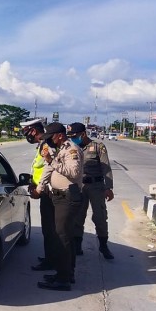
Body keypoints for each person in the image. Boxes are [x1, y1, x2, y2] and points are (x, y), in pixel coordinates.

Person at [35, 122, 84, 291]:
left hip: (68, 196)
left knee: (62, 236)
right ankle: (65, 273)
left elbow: (74, 172)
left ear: (60, 135)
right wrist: (40, 187)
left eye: (51, 137)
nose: (49, 141)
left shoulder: (72, 150)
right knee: (64, 236)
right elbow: (49, 168)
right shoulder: (59, 148)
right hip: (59, 196)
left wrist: (51, 161)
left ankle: (63, 279)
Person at [67, 122, 115, 259]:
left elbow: (106, 168)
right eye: (70, 136)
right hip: (79, 186)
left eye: (74, 136)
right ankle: (77, 246)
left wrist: (109, 187)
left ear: (83, 134)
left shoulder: (98, 147)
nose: (72, 139)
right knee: (78, 217)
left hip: (96, 187)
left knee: (100, 216)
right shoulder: (71, 148)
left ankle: (103, 245)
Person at [20, 118, 58, 272]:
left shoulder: (47, 145)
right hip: (43, 190)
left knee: (50, 229)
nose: (26, 136)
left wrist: (39, 188)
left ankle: (52, 261)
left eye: (26, 132)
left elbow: (50, 168)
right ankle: (50, 257)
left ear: (34, 131)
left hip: (48, 192)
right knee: (48, 228)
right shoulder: (42, 144)